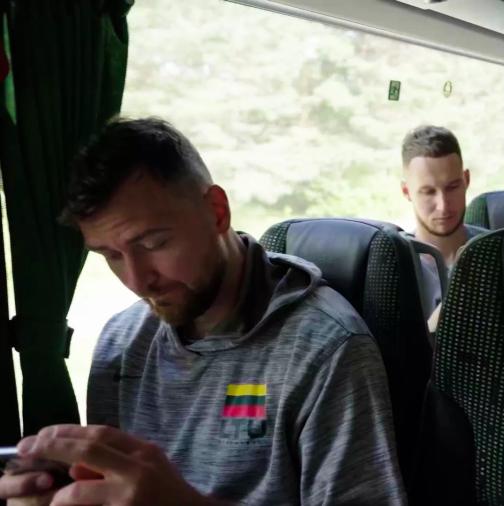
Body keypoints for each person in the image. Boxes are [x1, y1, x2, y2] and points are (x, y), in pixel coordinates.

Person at [0, 118, 405, 505]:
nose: (138, 281)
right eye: (111, 256)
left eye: (154, 244)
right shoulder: (121, 343)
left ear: (217, 212)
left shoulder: (326, 349)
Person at [400, 125, 485, 321]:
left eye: (452, 187)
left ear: (466, 180)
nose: (443, 205)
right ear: (406, 191)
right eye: (428, 192)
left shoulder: (497, 252)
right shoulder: (395, 266)